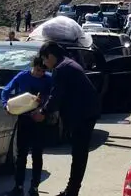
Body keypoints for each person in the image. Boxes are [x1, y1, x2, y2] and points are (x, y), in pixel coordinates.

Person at [32, 41, 100, 196]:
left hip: (83, 115)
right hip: (86, 112)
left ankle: (72, 191)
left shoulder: (62, 69)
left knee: (79, 154)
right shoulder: (68, 64)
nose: (44, 64)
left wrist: (43, 112)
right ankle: (72, 190)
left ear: (50, 56)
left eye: (44, 59)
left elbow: (56, 95)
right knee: (79, 153)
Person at [2, 57, 53, 196]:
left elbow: (55, 96)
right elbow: (6, 91)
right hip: (24, 119)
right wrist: (6, 106)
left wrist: (44, 110)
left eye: (43, 71)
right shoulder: (22, 76)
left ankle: (34, 188)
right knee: (21, 155)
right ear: (33, 66)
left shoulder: (49, 79)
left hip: (39, 120)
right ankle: (18, 187)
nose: (40, 73)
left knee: (37, 154)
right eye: (38, 70)